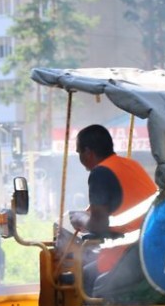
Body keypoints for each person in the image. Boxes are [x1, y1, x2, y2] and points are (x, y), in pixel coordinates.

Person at [68, 124, 158, 296]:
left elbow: (99, 225)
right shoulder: (132, 165)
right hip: (149, 251)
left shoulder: (100, 173)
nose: (80, 158)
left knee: (82, 276)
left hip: (126, 256)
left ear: (88, 152)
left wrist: (81, 219)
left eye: (79, 152)